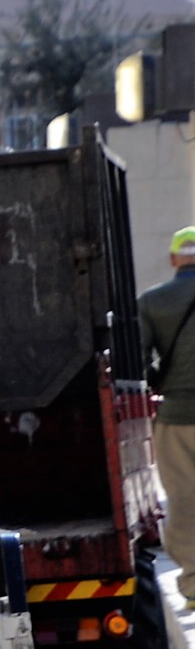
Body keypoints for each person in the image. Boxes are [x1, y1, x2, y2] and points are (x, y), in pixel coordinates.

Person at [141, 226, 195, 598]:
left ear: (174, 258)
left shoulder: (152, 302)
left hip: (178, 417)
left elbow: (137, 361)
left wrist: (159, 381)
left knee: (185, 498)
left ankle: (193, 583)